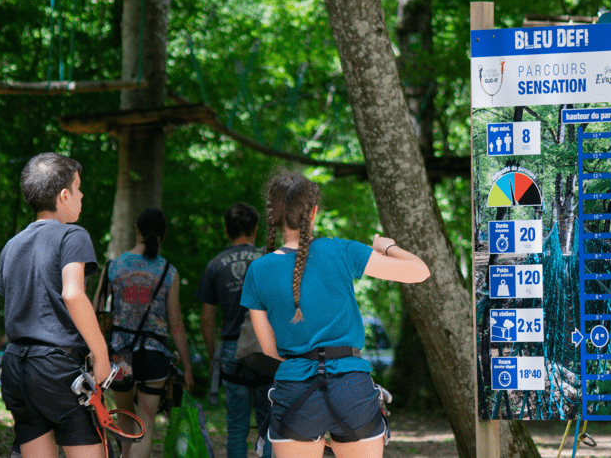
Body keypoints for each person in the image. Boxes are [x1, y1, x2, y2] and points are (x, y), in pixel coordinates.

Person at [240, 172, 430, 458]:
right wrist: (386, 247)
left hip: (295, 392)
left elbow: (268, 348)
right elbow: (420, 271)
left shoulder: (257, 270)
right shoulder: (342, 250)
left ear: (274, 215)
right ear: (314, 211)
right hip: (351, 388)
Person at [0, 152, 108, 458]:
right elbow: (73, 294)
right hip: (56, 368)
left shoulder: (12, 245)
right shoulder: (73, 235)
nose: (81, 194)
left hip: (16, 366)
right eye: (78, 187)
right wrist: (101, 355)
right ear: (64, 195)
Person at [107, 207, 194, 458]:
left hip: (121, 355)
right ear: (163, 234)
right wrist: (187, 366)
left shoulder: (114, 267)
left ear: (136, 230)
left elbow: (97, 312)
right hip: (154, 355)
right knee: (145, 423)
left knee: (124, 422)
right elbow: (176, 325)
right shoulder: (168, 272)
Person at [196, 202, 272, 458]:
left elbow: (207, 318)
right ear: (256, 229)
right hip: (265, 349)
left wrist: (212, 356)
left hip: (231, 350)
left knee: (237, 427)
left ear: (226, 231)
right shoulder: (268, 260)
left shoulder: (215, 265)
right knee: (269, 425)